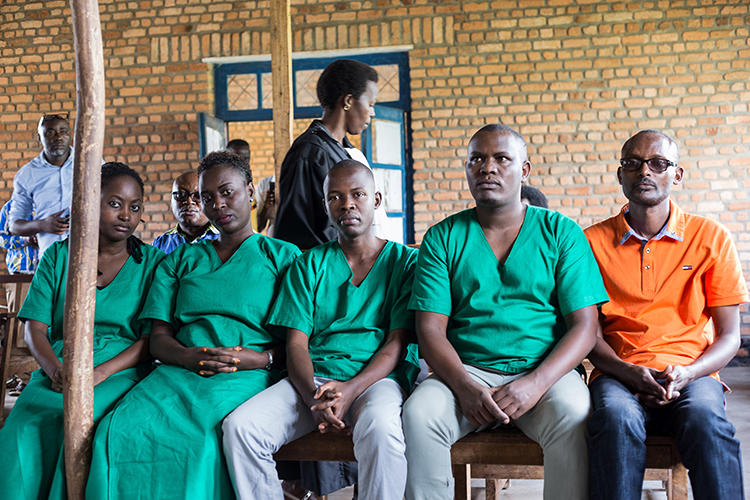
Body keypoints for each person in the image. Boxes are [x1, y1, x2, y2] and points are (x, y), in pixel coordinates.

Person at [401, 124, 609, 500]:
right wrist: (465, 387)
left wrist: (536, 382)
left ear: (524, 170)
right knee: (419, 415)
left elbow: (585, 326)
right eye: (476, 159)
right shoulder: (443, 237)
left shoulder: (561, 233)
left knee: (574, 413)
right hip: (463, 373)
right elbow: (429, 330)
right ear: (466, 169)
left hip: (544, 374)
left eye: (501, 159)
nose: (487, 168)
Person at [86, 151, 300, 500]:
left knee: (201, 439)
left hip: (245, 375)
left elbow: (300, 340)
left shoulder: (284, 257)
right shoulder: (181, 260)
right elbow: (158, 338)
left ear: (249, 190)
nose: (218, 204)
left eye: (227, 192)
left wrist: (261, 360)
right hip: (177, 373)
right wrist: (188, 357)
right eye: (208, 197)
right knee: (118, 428)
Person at [223, 160, 419, 500]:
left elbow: (396, 343)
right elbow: (296, 344)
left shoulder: (404, 263)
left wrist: (351, 388)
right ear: (326, 205)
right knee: (241, 429)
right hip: (313, 381)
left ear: (375, 199)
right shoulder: (308, 263)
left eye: (357, 194)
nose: (347, 205)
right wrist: (313, 398)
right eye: (335, 197)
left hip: (375, 381)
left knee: (382, 431)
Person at [584, 130, 748, 500]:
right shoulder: (590, 242)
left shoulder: (711, 238)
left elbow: (729, 337)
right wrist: (629, 372)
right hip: (618, 373)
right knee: (614, 419)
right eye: (633, 163)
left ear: (677, 175)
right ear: (620, 174)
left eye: (658, 164)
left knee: (707, 421)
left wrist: (688, 373)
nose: (645, 172)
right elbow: (588, 335)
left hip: (693, 373)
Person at [0, 162, 164, 500]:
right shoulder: (59, 257)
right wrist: (53, 369)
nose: (126, 215)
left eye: (135, 207)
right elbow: (34, 328)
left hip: (122, 369)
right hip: (61, 365)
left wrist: (100, 373)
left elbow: (150, 339)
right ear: (90, 201)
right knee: (24, 425)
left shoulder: (152, 264)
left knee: (81, 424)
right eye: (115, 203)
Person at [275, 59, 384, 249]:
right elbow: (296, 234)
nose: (372, 113)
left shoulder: (347, 152)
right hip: (326, 273)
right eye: (371, 104)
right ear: (348, 101)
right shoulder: (309, 154)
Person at [9, 114, 74, 258]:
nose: (58, 137)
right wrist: (42, 225)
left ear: (70, 135)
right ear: (39, 138)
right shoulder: (27, 175)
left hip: (93, 254)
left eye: (63, 131)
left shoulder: (90, 162)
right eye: (50, 132)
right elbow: (14, 226)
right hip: (50, 258)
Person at [151, 171, 219, 253]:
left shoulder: (229, 241)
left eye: (198, 195)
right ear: (171, 202)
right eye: (180, 195)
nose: (189, 201)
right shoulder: (159, 245)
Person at [0, 199, 39, 314]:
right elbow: (1, 238)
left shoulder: (50, 204)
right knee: (18, 325)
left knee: (46, 326)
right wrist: (25, 240)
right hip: (19, 277)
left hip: (47, 276)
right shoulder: (10, 208)